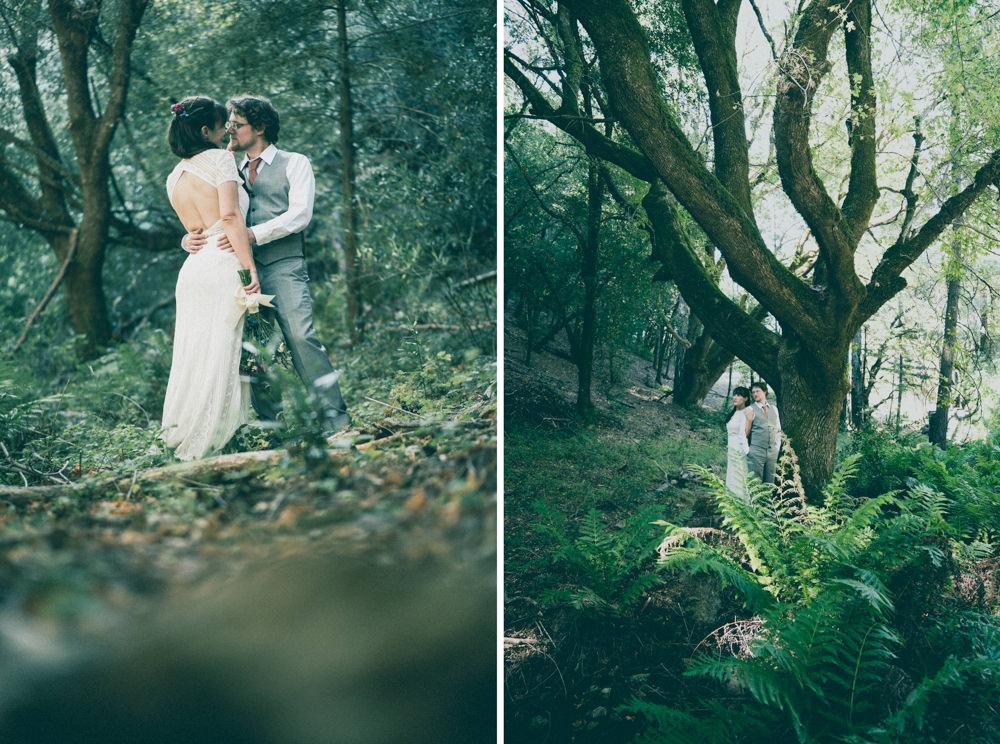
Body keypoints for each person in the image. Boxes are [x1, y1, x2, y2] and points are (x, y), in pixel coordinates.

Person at [183, 94, 351, 434]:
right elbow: (208, 213)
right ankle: (273, 430)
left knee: (302, 338)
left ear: (260, 127)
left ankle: (335, 420)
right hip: (236, 274)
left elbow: (300, 215)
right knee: (254, 352)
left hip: (284, 266)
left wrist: (252, 235)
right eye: (228, 123)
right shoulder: (225, 165)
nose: (230, 130)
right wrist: (187, 239)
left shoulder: (295, 163)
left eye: (238, 124)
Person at [161, 96, 259, 460]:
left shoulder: (174, 177)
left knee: (194, 352)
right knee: (224, 350)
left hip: (193, 271)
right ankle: (223, 436)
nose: (228, 131)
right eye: (223, 126)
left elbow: (193, 230)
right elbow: (231, 218)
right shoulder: (220, 159)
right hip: (221, 265)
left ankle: (185, 431)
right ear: (206, 131)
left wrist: (186, 239)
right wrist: (248, 270)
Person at [747, 380, 781, 484]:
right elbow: (744, 432)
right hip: (756, 451)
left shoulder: (774, 409)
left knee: (770, 482)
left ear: (765, 391)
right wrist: (748, 449)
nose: (755, 394)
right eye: (753, 392)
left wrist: (777, 447)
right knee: (755, 482)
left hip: (772, 452)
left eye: (758, 391)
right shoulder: (750, 409)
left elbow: (778, 429)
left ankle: (767, 501)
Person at [725, 386, 754, 498]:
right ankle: (730, 506)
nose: (735, 397)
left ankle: (739, 506)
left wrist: (750, 421)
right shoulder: (733, 413)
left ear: (746, 398)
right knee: (731, 476)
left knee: (738, 477)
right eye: (734, 395)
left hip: (738, 449)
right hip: (731, 449)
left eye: (739, 395)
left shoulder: (746, 412)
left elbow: (744, 434)